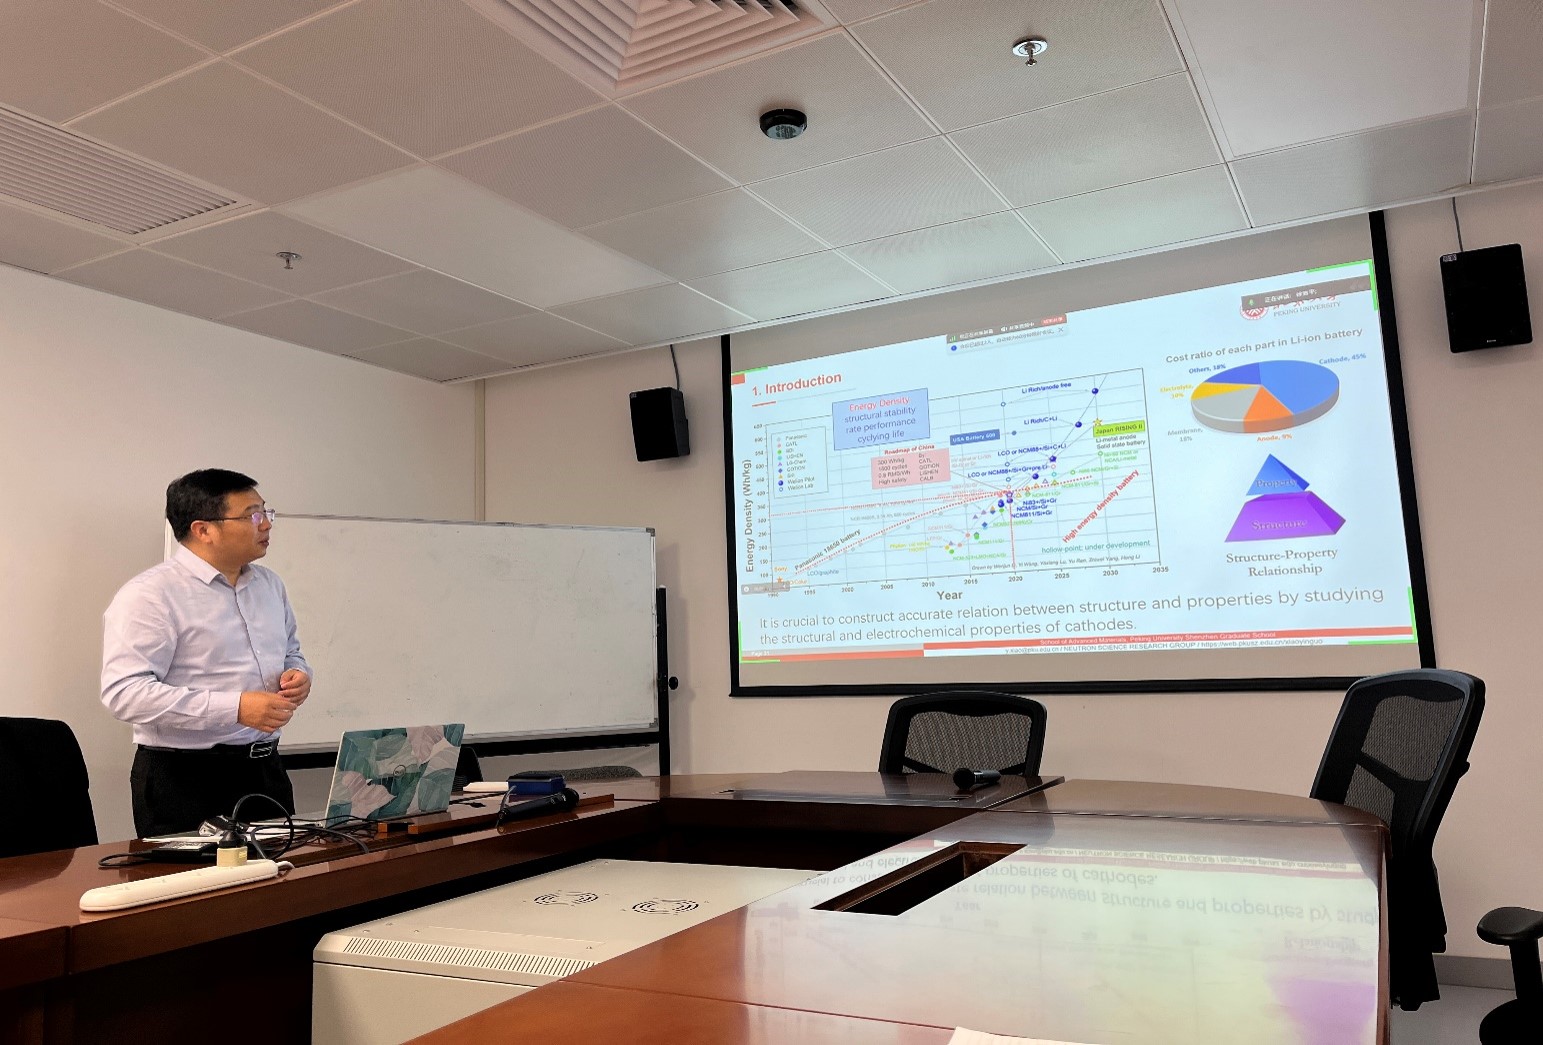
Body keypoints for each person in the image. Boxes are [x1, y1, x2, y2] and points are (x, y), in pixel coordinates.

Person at [102, 469, 312, 837]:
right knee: (198, 876)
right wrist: (235, 708)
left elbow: (291, 650)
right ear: (203, 530)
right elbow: (124, 694)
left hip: (265, 770)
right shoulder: (151, 595)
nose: (266, 525)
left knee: (281, 872)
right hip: (185, 779)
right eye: (252, 516)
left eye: (266, 512)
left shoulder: (269, 585)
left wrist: (298, 673)